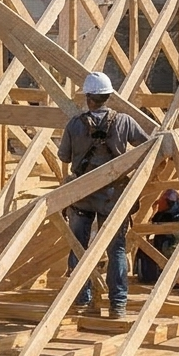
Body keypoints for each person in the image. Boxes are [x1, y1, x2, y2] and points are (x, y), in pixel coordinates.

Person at [59, 71, 148, 316]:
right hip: (113, 197)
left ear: (88, 97)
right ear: (108, 96)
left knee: (79, 247)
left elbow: (64, 157)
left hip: (82, 197)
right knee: (116, 249)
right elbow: (149, 145)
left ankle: (81, 300)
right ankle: (117, 304)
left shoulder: (75, 124)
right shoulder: (124, 122)